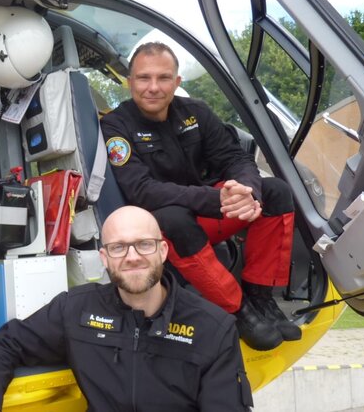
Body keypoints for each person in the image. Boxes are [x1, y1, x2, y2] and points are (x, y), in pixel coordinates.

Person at [100, 42, 299, 351]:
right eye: (144, 78)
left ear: (177, 82)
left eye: (164, 78)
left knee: (276, 192)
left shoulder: (197, 112)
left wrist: (248, 191)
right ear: (130, 82)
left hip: (209, 211)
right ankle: (239, 310)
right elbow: (142, 190)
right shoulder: (115, 125)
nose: (153, 87)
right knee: (173, 218)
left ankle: (262, 300)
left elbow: (235, 158)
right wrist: (215, 200)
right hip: (164, 225)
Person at [0, 205, 252, 412]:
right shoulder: (76, 310)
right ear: (104, 258)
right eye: (118, 248)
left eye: (144, 244)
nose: (132, 257)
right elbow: (4, 345)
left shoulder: (213, 329)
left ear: (163, 251)